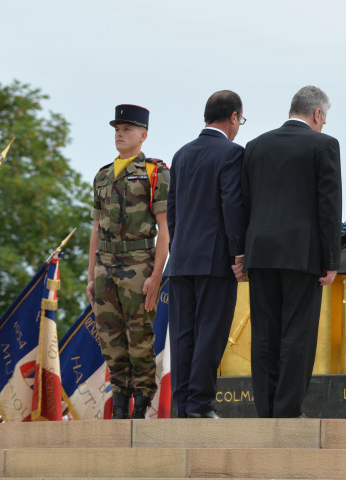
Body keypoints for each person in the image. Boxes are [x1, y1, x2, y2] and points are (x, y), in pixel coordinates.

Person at [241, 86, 342, 418]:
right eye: (323, 119)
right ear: (317, 114)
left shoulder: (255, 146)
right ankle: (286, 409)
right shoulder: (324, 145)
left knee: (265, 333)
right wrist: (331, 261)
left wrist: (242, 253)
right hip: (302, 255)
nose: (323, 125)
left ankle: (266, 408)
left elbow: (244, 204)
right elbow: (329, 206)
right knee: (297, 332)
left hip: (260, 253)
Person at [165, 90, 247, 419]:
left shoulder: (181, 154)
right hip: (215, 261)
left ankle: (183, 406)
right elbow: (232, 206)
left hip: (181, 258)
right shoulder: (231, 153)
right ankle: (200, 405)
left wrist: (178, 248)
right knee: (210, 334)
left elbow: (171, 212)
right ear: (233, 117)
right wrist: (238, 253)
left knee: (183, 336)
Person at [87, 104, 170, 419]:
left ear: (143, 135)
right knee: (110, 337)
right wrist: (91, 275)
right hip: (105, 264)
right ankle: (119, 406)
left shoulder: (155, 172)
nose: (120, 134)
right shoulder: (103, 175)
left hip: (139, 261)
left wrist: (157, 274)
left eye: (127, 130)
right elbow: (95, 229)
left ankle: (142, 405)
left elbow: (165, 230)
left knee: (139, 337)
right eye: (117, 130)